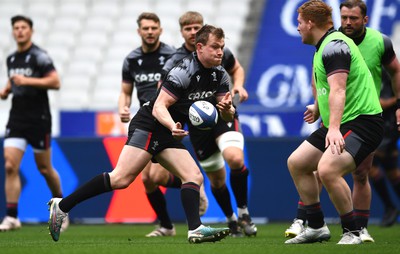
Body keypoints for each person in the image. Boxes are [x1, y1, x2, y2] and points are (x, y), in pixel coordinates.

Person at [47, 24, 232, 244]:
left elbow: (227, 116)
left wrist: (228, 111)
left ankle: (195, 229)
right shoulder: (184, 71)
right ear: (200, 47)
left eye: (222, 47)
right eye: (215, 47)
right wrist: (173, 126)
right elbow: (158, 107)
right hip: (150, 124)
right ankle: (62, 206)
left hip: (168, 131)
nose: (220, 52)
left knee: (194, 176)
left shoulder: (220, 75)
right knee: (120, 179)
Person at [285, 0, 400, 242]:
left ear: (310, 23)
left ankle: (353, 230)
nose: (297, 28)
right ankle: (316, 226)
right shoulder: (324, 45)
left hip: (363, 123)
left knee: (328, 169)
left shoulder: (334, 46)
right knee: (297, 163)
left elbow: (339, 90)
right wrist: (318, 108)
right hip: (343, 122)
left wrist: (334, 128)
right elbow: (326, 86)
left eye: (299, 23)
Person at [161, 11, 256, 237]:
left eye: (197, 27)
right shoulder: (176, 62)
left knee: (234, 158)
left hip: (221, 116)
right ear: (184, 33)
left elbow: (237, 69)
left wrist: (238, 87)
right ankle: (231, 220)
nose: (193, 32)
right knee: (216, 178)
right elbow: (163, 94)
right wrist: (171, 123)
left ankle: (243, 212)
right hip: (197, 124)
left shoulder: (218, 54)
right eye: (189, 28)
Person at [118, 12, 208, 238]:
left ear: (160, 30)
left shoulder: (172, 55)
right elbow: (125, 91)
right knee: (147, 180)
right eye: (145, 28)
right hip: (148, 117)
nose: (150, 32)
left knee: (154, 177)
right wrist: (123, 106)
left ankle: (194, 184)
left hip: (169, 118)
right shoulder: (131, 59)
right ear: (139, 31)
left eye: (153, 28)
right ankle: (167, 225)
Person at [0, 15, 68, 232]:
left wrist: (26, 80)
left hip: (39, 119)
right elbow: (15, 81)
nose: (20, 31)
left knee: (44, 169)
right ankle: (12, 217)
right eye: (16, 28)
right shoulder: (11, 59)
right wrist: (7, 89)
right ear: (13, 32)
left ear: (31, 31)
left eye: (24, 27)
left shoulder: (40, 56)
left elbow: (55, 82)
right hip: (17, 118)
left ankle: (62, 207)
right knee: (10, 165)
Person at [370, 69, 400, 227]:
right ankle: (390, 207)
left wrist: (388, 102)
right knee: (392, 172)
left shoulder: (391, 72)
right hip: (380, 125)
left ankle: (390, 207)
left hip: (389, 127)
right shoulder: (374, 71)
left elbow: (385, 100)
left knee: (370, 165)